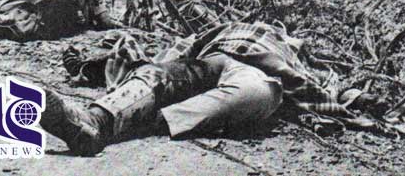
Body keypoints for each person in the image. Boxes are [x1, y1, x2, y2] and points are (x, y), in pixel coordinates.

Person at [41, 21, 356, 155]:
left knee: (256, 93)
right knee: (156, 76)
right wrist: (161, 65)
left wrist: (356, 102)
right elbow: (188, 45)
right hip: (212, 59)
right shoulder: (234, 27)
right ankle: (92, 120)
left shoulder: (297, 54)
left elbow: (328, 90)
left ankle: (125, 127)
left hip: (255, 74)